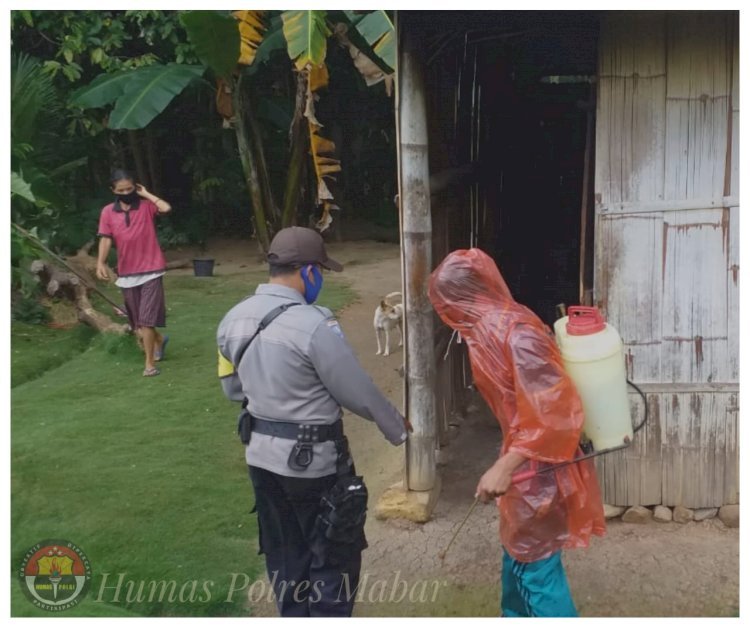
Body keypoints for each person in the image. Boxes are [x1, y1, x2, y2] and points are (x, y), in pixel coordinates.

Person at [216, 226, 409, 617]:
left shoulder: (231, 319)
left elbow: (232, 388)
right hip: (314, 466)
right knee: (333, 560)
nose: (321, 279)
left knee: (286, 557)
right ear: (307, 273)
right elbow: (355, 389)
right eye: (320, 271)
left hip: (260, 460)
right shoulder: (315, 324)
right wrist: (398, 427)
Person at [428, 248, 605, 618]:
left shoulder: (515, 333)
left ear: (463, 296)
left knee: (536, 568)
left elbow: (554, 410)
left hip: (541, 468)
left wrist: (507, 465)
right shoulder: (488, 328)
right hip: (528, 459)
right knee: (517, 554)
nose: (447, 314)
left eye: (447, 303)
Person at [96, 169, 171, 377]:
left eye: (130, 188)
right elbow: (105, 238)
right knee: (137, 322)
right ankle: (159, 339)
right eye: (122, 190)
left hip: (152, 269)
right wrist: (100, 262)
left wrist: (146, 193)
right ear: (113, 190)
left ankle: (149, 364)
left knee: (146, 320)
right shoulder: (108, 212)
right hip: (127, 273)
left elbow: (165, 208)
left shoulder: (147, 206)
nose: (127, 192)